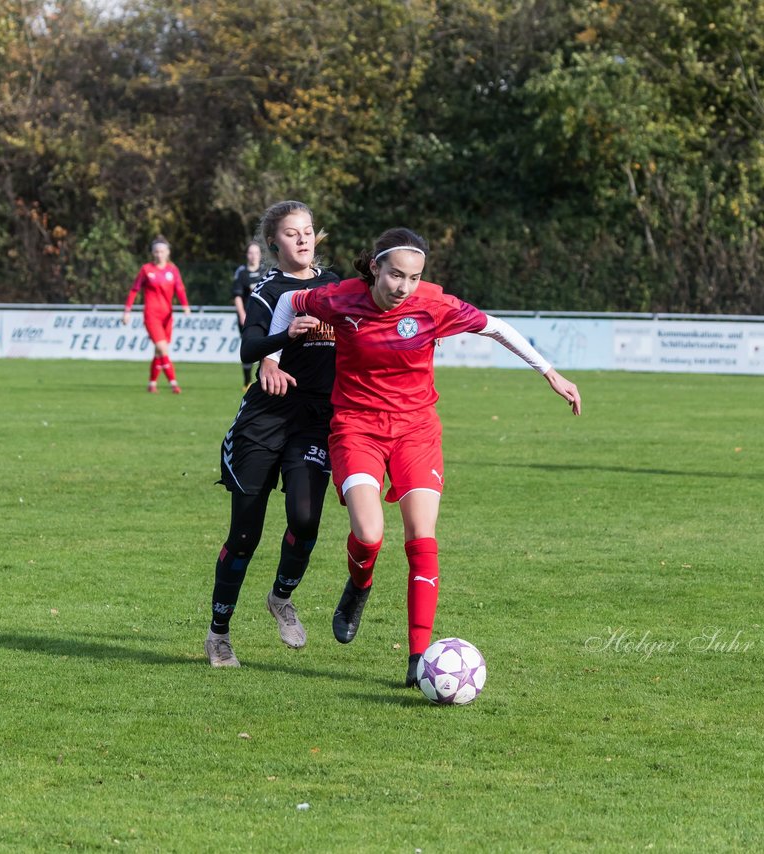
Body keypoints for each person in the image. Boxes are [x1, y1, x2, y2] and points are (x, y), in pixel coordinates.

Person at [262, 227, 581, 688]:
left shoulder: (435, 304)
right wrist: (271, 357)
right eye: (395, 276)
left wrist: (549, 372)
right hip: (356, 428)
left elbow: (497, 328)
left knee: (421, 537)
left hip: (416, 431)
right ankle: (360, 585)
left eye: (413, 278)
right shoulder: (340, 299)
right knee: (369, 536)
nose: (403, 287)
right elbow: (290, 303)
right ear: (375, 267)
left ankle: (417, 659)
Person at [204, 201, 340, 668]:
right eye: (290, 233)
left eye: (307, 231)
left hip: (314, 422)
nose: (302, 239)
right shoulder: (269, 290)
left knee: (305, 520)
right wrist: (281, 343)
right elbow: (250, 344)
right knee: (245, 533)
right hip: (264, 420)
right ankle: (218, 634)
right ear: (274, 243)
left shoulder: (338, 289)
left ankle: (281, 597)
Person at [122, 236, 191, 394]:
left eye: (162, 251)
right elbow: (134, 290)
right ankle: (174, 383)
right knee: (162, 348)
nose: (159, 254)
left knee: (159, 352)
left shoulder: (173, 270)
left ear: (168, 252)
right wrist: (127, 311)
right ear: (153, 253)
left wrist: (185, 305)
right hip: (151, 315)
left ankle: (152, 383)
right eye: (156, 252)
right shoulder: (146, 269)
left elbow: (180, 289)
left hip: (167, 316)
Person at [231, 241, 266, 388]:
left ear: (260, 255)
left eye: (256, 253)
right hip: (247, 317)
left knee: (266, 348)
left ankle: (263, 379)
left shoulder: (266, 272)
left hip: (264, 317)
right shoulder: (242, 273)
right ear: (247, 255)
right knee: (248, 348)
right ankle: (246, 382)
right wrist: (242, 314)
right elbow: (237, 296)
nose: (253, 256)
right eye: (250, 253)